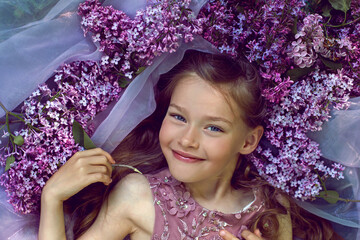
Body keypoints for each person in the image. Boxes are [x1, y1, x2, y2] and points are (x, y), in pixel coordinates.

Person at [38, 50, 343, 240]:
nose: (187, 139)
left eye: (213, 127)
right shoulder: (137, 196)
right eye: (179, 117)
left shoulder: (271, 211)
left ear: (249, 140)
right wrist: (51, 198)